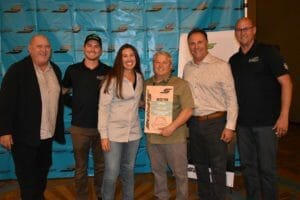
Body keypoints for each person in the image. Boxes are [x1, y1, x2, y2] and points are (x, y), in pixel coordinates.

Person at [229, 17, 293, 200]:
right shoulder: (233, 61)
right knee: (248, 168)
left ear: (254, 30)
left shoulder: (268, 52)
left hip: (267, 125)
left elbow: (287, 84)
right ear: (236, 33)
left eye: (246, 29)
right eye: (239, 30)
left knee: (267, 169)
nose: (243, 33)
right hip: (243, 125)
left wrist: (284, 115)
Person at [0, 34, 65, 200]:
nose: (44, 50)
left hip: (46, 137)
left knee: (42, 175)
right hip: (23, 138)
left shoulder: (55, 70)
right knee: (27, 180)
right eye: (39, 46)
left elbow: (58, 99)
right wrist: (4, 131)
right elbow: (5, 103)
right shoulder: (17, 71)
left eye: (47, 47)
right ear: (30, 48)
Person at [183, 28, 238, 200]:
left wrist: (230, 127)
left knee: (218, 166)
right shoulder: (187, 68)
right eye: (192, 43)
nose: (196, 46)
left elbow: (232, 99)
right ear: (188, 46)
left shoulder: (222, 66)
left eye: (199, 42)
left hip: (216, 123)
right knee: (199, 165)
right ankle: (204, 196)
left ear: (207, 43)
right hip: (194, 123)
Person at [62, 33, 111, 200]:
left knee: (101, 166)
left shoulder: (108, 71)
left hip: (102, 130)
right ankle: (82, 197)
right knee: (81, 167)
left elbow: (115, 97)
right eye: (89, 45)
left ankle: (100, 195)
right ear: (83, 48)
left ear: (101, 50)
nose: (92, 49)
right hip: (79, 129)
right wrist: (74, 103)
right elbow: (62, 92)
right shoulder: (72, 70)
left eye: (96, 46)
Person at [144, 51, 194, 199]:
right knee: (158, 172)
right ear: (153, 65)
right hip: (153, 138)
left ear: (170, 65)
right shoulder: (146, 84)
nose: (160, 65)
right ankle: (161, 197)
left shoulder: (181, 84)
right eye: (157, 62)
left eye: (164, 62)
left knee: (180, 174)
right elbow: (144, 104)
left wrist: (171, 127)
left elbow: (188, 110)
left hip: (175, 137)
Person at [98, 43, 143, 200]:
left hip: (134, 133)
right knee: (111, 172)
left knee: (128, 170)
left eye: (132, 55)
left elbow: (136, 102)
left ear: (136, 58)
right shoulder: (111, 79)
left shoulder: (139, 77)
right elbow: (103, 108)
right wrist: (104, 135)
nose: (129, 59)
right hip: (113, 134)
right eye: (125, 56)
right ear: (120, 59)